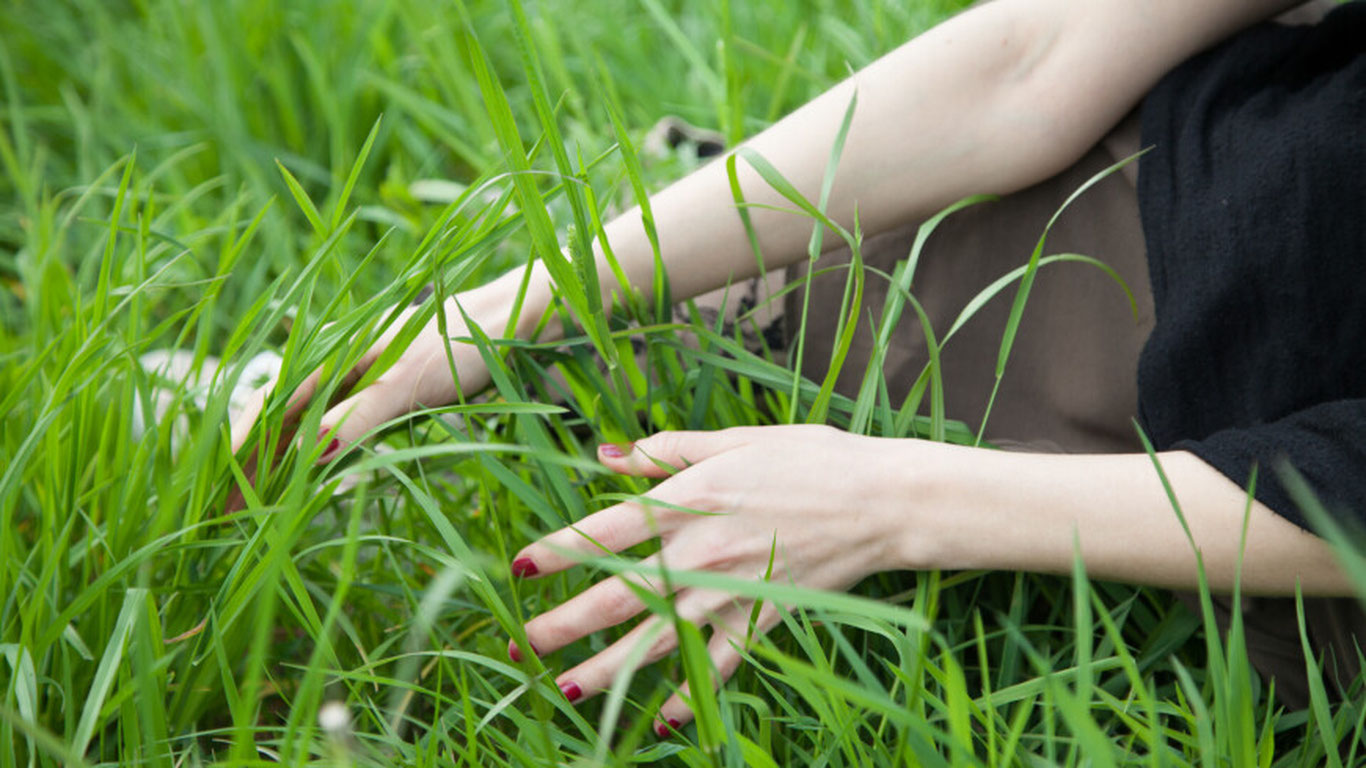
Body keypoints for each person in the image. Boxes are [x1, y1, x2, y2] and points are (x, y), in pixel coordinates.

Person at [230, 0, 1365, 733]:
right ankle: (656, 332)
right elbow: (1034, 57)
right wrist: (519, 302)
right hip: (1137, 212)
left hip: (1264, 541)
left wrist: (886, 500)